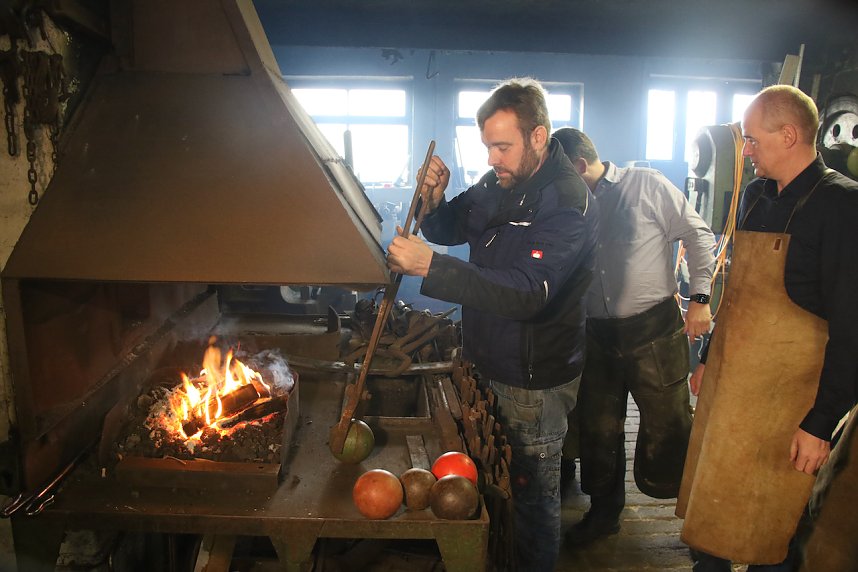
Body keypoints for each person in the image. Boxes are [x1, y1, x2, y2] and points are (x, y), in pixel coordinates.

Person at [386, 77, 599, 572]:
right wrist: (434, 200)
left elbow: (528, 292)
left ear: (539, 137)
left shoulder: (567, 202)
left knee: (532, 500)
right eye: (488, 146)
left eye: (502, 146)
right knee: (499, 487)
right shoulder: (500, 180)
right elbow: (450, 228)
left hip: (532, 380)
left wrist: (430, 267)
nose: (492, 158)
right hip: (487, 358)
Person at [678, 84, 858, 571]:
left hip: (788, 406)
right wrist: (709, 360)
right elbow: (735, 293)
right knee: (710, 519)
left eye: (753, 141)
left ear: (790, 135)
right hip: (732, 391)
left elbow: (851, 327)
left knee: (770, 531)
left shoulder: (841, 206)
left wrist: (820, 424)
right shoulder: (756, 196)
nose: (747, 151)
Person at [553, 128, 716, 546]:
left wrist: (700, 297)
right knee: (598, 428)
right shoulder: (568, 204)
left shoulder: (646, 185)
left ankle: (695, 519)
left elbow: (698, 235)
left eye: (557, 174)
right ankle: (604, 515)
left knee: (672, 424)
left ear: (577, 166)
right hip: (597, 336)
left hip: (653, 331)